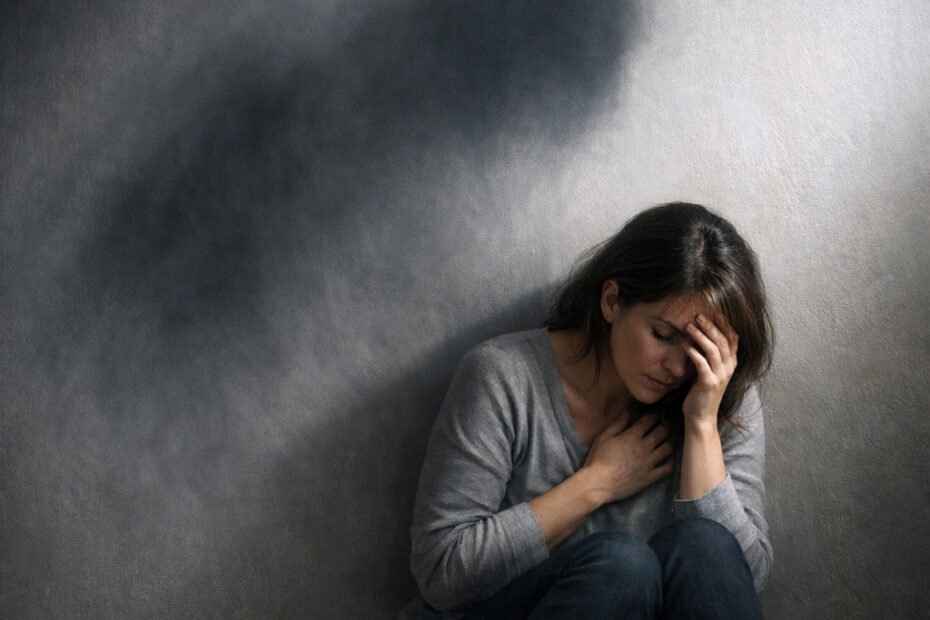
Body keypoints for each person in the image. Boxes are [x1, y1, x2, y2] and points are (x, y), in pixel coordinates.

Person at [400, 202, 774, 619]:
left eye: (699, 349)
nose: (677, 367)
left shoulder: (718, 392)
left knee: (706, 544)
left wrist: (702, 425)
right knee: (621, 565)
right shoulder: (502, 377)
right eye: (662, 334)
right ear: (612, 301)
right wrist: (596, 483)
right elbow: (441, 574)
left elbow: (738, 581)